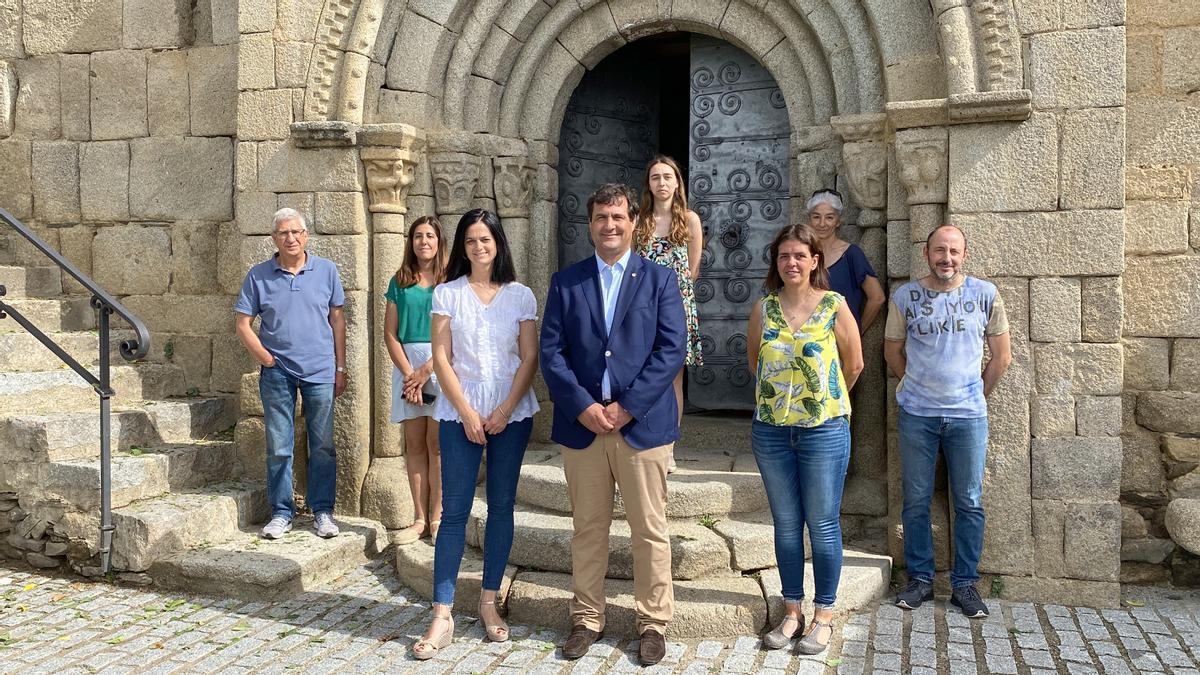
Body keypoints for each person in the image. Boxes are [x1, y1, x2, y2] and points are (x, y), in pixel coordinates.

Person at [541, 183, 686, 666]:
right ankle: (586, 619)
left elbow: (670, 351)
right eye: (601, 217)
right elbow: (552, 354)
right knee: (588, 527)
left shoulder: (660, 280)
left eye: (618, 217)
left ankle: (652, 623)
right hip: (584, 426)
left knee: (649, 528)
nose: (610, 225)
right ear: (590, 224)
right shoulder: (567, 282)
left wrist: (627, 407)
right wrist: (584, 406)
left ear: (632, 221)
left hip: (640, 424)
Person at [411, 209, 540, 659]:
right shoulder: (448, 293)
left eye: (485, 240)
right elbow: (441, 358)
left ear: (498, 243)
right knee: (455, 511)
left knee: (502, 505)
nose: (478, 248)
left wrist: (504, 409)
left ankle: (489, 602)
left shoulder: (521, 295)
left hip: (511, 413)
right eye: (470, 242)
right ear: (462, 248)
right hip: (458, 412)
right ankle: (442, 613)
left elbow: (528, 358)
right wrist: (467, 411)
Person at [884, 224, 1012, 618]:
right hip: (917, 416)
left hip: (968, 417)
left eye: (954, 251)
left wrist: (973, 395)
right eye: (940, 251)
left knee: (969, 501)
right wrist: (918, 386)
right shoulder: (905, 296)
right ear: (927, 254)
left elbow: (1001, 357)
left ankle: (965, 585)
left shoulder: (985, 294)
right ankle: (920, 580)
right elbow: (893, 351)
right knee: (916, 500)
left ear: (964, 255)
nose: (947, 258)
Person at [746, 224, 863, 654]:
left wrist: (822, 403)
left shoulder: (835, 305)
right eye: (783, 257)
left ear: (816, 261)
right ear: (776, 263)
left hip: (824, 431)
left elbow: (854, 364)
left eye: (799, 256)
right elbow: (755, 361)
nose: (791, 263)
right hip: (772, 431)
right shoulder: (765, 308)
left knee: (824, 524)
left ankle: (824, 615)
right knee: (787, 525)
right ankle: (792, 611)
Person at [234, 208, 346, 541]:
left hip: (321, 370)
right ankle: (282, 512)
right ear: (274, 238)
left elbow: (337, 320)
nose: (290, 238)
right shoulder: (258, 275)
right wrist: (266, 358)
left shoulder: (326, 271)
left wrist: (340, 366)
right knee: (279, 446)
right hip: (277, 372)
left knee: (323, 444)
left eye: (296, 232)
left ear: (306, 235)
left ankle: (322, 511)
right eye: (283, 233)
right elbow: (243, 324)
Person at [635, 155, 704, 472]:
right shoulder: (639, 221)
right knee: (643, 374)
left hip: (677, 306)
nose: (661, 183)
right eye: (655, 177)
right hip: (643, 308)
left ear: (677, 182)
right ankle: (641, 438)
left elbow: (692, 269)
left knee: (673, 378)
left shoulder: (689, 220)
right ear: (648, 184)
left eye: (667, 177)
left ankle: (668, 445)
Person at [384, 215, 446, 545]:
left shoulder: (450, 281)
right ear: (411, 242)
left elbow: (455, 333)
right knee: (415, 444)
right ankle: (419, 518)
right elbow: (390, 334)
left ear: (439, 242)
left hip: (439, 366)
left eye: (430, 236)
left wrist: (427, 371)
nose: (423, 241)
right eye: (418, 236)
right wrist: (410, 374)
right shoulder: (400, 280)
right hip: (407, 365)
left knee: (437, 446)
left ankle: (437, 516)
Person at [805, 189, 885, 332]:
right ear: (809, 220)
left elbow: (877, 297)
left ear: (838, 221)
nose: (822, 224)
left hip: (840, 342)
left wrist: (856, 332)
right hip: (805, 338)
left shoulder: (851, 254)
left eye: (829, 217)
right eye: (816, 217)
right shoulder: (801, 255)